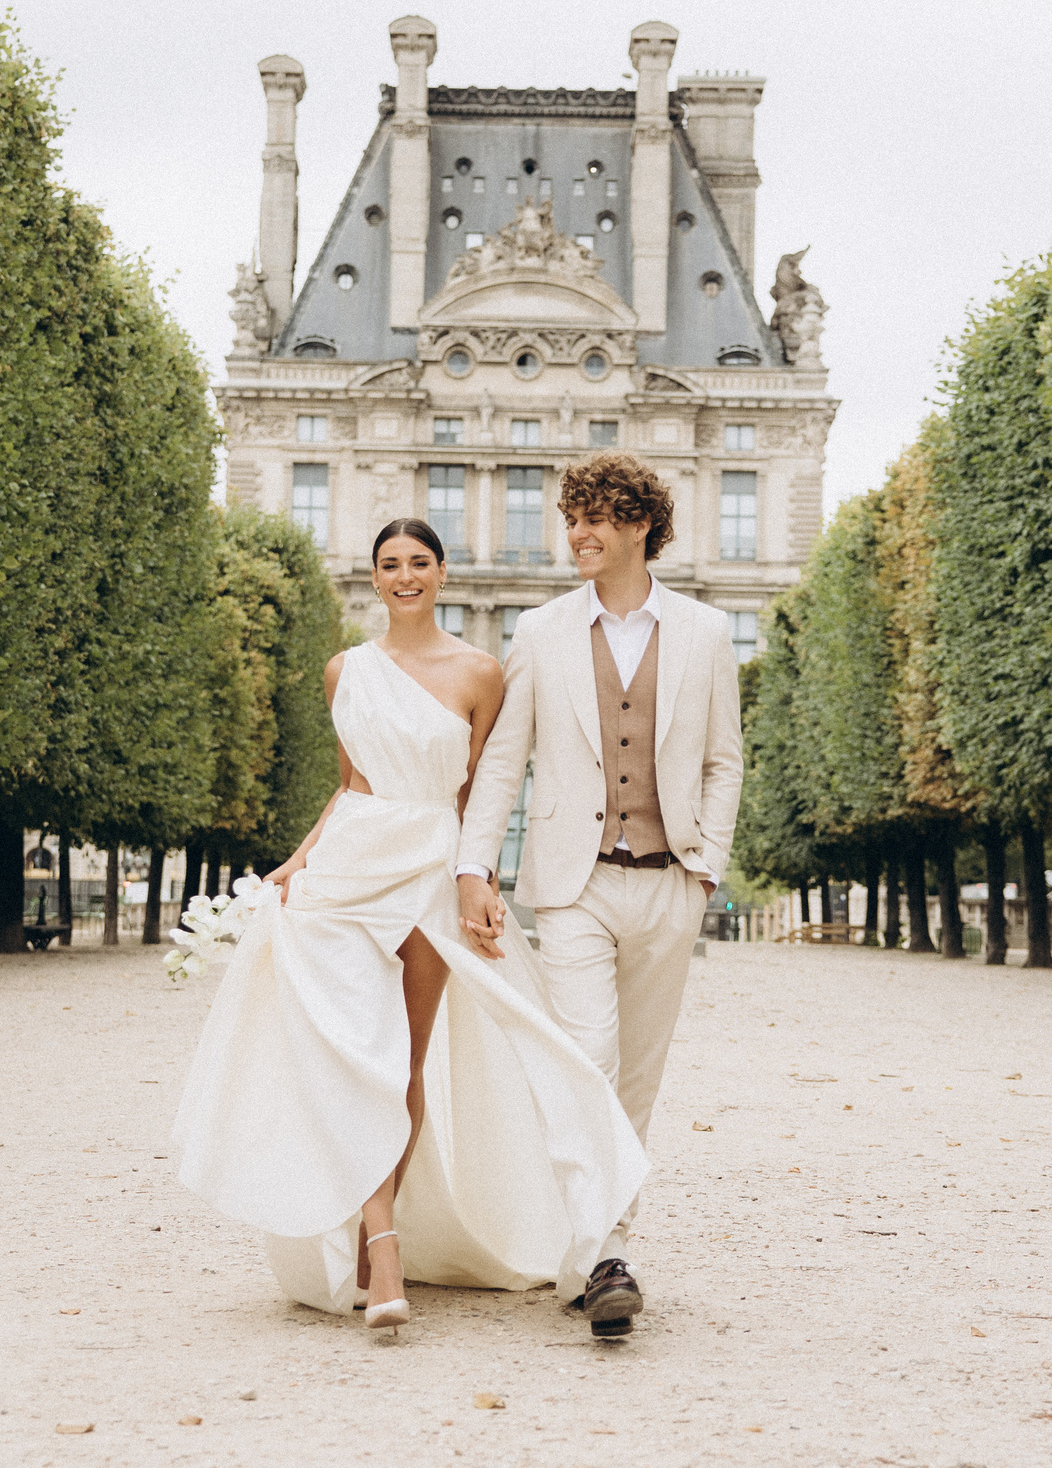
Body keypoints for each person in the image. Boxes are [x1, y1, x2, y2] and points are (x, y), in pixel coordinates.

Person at [173, 518, 646, 1333]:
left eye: (418, 563)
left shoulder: (481, 672)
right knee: (353, 1055)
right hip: (350, 868)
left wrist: (479, 879)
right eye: (389, 564)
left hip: (428, 867)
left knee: (404, 1064)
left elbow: (481, 795)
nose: (404, 576)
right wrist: (294, 863)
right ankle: (382, 1244)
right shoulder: (343, 671)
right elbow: (351, 783)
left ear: (441, 573)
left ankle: (379, 1232)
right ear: (372, 577)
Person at [454, 451, 745, 1338]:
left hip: (669, 881)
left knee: (639, 1079)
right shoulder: (542, 631)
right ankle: (609, 1256)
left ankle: (591, 1250)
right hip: (573, 887)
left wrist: (709, 866)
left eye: (595, 518)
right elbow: (503, 759)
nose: (577, 533)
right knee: (589, 1060)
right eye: (571, 517)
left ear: (641, 528)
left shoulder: (705, 631)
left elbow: (723, 760)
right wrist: (475, 865)